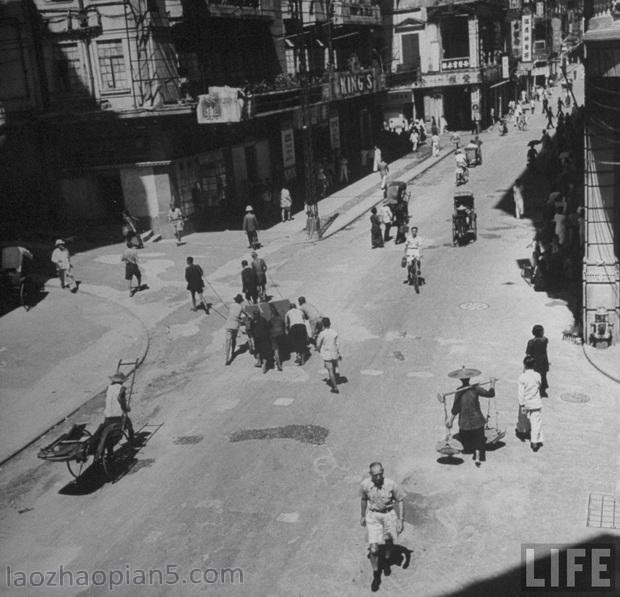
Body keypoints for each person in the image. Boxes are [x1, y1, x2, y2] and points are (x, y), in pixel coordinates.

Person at [359, 462, 405, 592]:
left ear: (383, 472)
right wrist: (362, 515)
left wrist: (401, 520)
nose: (378, 478)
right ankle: (376, 574)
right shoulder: (365, 485)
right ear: (370, 475)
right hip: (373, 516)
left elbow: (400, 500)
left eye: (380, 474)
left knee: (389, 541)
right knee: (373, 549)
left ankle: (386, 560)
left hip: (389, 515)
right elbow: (363, 499)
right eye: (375, 475)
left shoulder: (391, 484)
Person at [446, 371, 497, 466]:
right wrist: (492, 383)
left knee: (466, 445)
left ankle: (471, 447)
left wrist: (450, 421)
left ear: (460, 380)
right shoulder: (476, 389)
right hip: (478, 421)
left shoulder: (458, 391)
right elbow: (490, 394)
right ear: (470, 378)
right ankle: (478, 452)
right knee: (479, 440)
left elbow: (455, 409)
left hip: (464, 424)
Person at [92, 372, 136, 456]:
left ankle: (110, 452)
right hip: (118, 416)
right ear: (122, 381)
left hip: (108, 416)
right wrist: (126, 408)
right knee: (129, 425)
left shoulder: (108, 388)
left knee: (108, 433)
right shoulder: (122, 388)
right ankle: (132, 442)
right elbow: (120, 399)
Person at [518, 356, 544, 451]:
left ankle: (523, 431)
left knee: (523, 417)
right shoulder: (538, 375)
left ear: (524, 365)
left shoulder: (522, 377)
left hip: (526, 403)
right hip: (536, 403)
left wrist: (521, 404)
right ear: (534, 365)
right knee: (536, 422)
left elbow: (521, 393)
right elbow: (539, 386)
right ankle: (534, 441)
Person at [316, 317, 342, 393]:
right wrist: (338, 353)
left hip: (327, 354)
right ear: (330, 324)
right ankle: (334, 380)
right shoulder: (334, 332)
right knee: (333, 369)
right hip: (334, 353)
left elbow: (318, 345)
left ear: (323, 325)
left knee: (330, 370)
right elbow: (338, 344)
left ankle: (335, 387)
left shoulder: (322, 334)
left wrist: (318, 349)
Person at [526, 324, 550, 397]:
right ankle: (542, 390)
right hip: (543, 362)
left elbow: (528, 354)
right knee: (543, 376)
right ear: (540, 332)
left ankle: (534, 390)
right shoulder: (545, 340)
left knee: (534, 377)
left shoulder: (531, 342)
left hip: (534, 363)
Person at [224, 294, 246, 365]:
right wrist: (240, 319)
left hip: (228, 325)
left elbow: (230, 313)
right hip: (235, 326)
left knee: (228, 342)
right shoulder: (241, 307)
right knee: (233, 340)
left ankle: (227, 358)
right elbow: (245, 315)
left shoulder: (231, 305)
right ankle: (233, 353)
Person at [269, 304, 286, 371]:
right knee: (280, 346)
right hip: (281, 334)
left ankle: (278, 363)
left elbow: (269, 328)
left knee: (276, 350)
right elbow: (284, 327)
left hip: (274, 335)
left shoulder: (271, 320)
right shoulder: (280, 319)